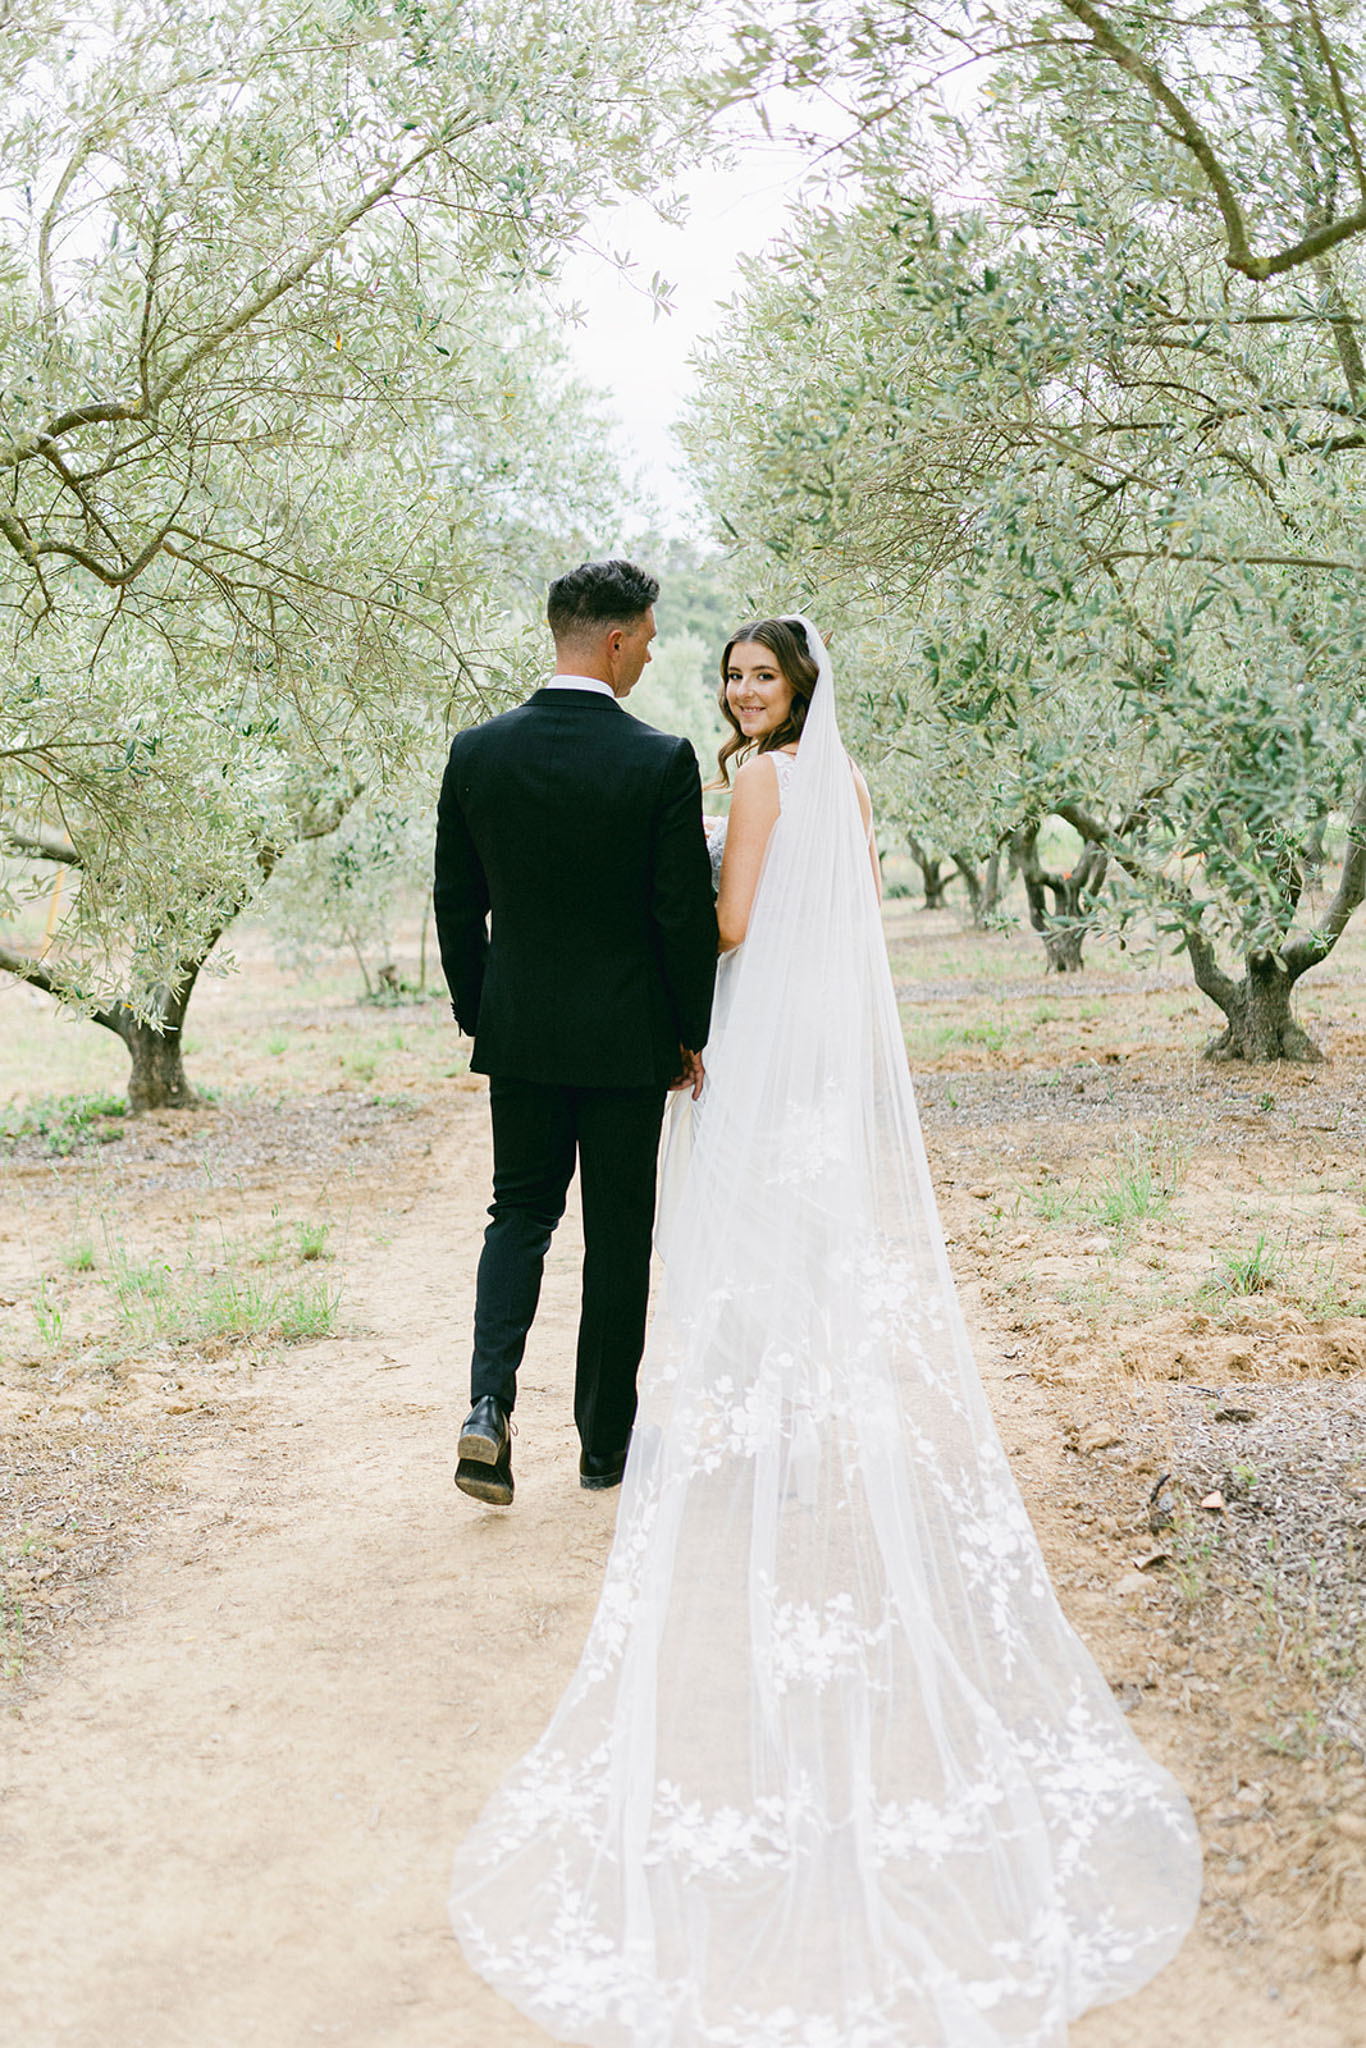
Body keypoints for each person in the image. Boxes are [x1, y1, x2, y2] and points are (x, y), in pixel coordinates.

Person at [449, 616, 1202, 2044]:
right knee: (800, 1246)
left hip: (747, 1042)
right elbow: (843, 914)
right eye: (728, 674)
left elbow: (728, 925)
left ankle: (748, 1433)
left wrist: (655, 927)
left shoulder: (757, 783)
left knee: (733, 1246)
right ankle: (803, 1422)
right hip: (818, 1051)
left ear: (793, 691)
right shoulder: (844, 784)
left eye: (758, 677)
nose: (738, 691)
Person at [432, 558, 718, 1507]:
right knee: (617, 1238)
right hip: (629, 1044)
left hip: (521, 1036)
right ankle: (603, 1451)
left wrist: (487, 1012)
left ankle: (486, 1407)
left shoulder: (476, 753)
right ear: (616, 639)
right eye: (647, 639)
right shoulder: (659, 759)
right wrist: (689, 1031)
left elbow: (454, 903)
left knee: (517, 1217)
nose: (648, 658)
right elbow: (681, 915)